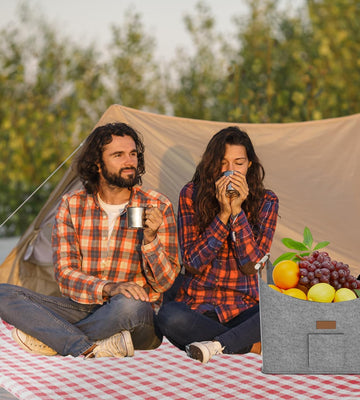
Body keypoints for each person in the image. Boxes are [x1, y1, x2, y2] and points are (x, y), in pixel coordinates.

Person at [0, 122, 180, 358]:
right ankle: (89, 346)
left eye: (133, 154)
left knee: (129, 304)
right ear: (97, 163)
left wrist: (150, 239)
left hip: (134, 314)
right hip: (82, 307)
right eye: (118, 155)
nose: (130, 161)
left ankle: (57, 340)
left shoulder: (157, 205)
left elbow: (164, 283)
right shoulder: (72, 205)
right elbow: (65, 274)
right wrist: (109, 287)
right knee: (4, 293)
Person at [156, 126, 279, 364]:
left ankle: (216, 345)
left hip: (243, 308)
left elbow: (252, 266)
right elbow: (191, 263)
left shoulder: (267, 200)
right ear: (212, 165)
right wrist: (223, 214)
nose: (230, 171)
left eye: (239, 163)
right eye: (223, 163)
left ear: (249, 166)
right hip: (198, 308)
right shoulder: (190, 194)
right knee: (169, 316)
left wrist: (237, 213)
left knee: (281, 310)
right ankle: (245, 344)